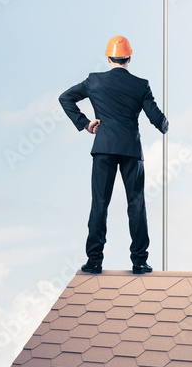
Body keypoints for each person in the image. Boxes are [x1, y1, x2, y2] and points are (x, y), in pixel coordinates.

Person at [58, 35, 168, 274]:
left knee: (100, 203)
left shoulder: (94, 81)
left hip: (104, 148)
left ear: (108, 58)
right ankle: (139, 261)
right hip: (130, 150)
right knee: (136, 204)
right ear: (129, 57)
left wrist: (85, 123)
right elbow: (156, 118)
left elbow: (65, 98)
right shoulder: (141, 85)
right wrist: (165, 124)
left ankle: (94, 260)